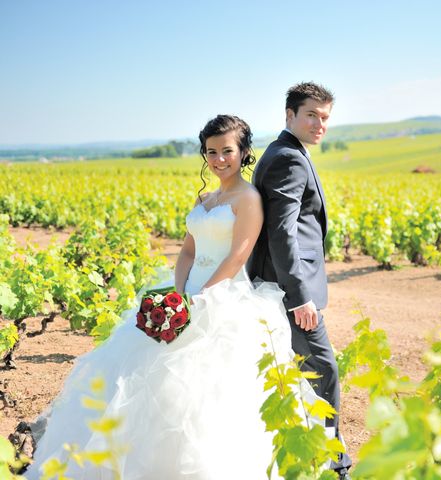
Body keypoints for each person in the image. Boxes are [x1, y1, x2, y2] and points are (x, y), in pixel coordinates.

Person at [25, 115, 324, 479]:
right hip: (184, 296)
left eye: (227, 151)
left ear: (244, 152)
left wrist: (201, 300)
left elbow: (237, 257)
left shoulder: (249, 199)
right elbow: (186, 253)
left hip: (224, 299)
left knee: (205, 392)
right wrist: (177, 294)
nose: (218, 160)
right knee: (141, 380)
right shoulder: (205, 197)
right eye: (211, 152)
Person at [248, 82, 352, 479]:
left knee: (302, 371)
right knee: (323, 370)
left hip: (283, 287)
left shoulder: (287, 153)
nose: (320, 123)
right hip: (290, 292)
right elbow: (282, 232)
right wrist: (300, 297)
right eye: (311, 114)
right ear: (289, 115)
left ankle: (307, 454)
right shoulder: (288, 158)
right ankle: (332, 464)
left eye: (325, 117)